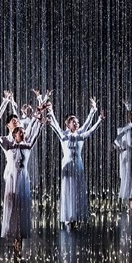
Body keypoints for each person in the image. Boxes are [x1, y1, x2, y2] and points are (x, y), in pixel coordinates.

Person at [0, 109, 46, 254]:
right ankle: (13, 235)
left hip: (23, 181)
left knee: (21, 209)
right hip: (11, 179)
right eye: (19, 130)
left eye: (19, 123)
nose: (23, 132)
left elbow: (34, 133)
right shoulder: (7, 143)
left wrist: (39, 121)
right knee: (12, 208)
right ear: (12, 130)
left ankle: (19, 238)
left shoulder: (27, 145)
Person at [47, 97, 104, 229]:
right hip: (67, 166)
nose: (77, 124)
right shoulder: (64, 135)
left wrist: (96, 115)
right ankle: (68, 217)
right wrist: (51, 113)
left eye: (77, 122)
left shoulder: (80, 135)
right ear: (68, 124)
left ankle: (77, 215)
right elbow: (56, 127)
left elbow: (89, 128)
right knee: (68, 190)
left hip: (78, 165)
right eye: (74, 122)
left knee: (77, 191)